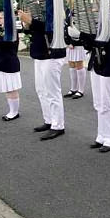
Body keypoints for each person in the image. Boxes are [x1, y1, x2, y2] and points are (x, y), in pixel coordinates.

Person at [74, 0, 110, 153]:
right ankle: (102, 136)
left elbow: (103, 41)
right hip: (97, 64)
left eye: (96, 2)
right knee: (98, 103)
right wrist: (79, 37)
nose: (93, 5)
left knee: (107, 104)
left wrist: (82, 33)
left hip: (109, 65)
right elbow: (90, 44)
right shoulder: (99, 18)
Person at [18, 10, 67, 141]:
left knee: (52, 92)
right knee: (41, 90)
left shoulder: (55, 4)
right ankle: (49, 120)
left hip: (51, 54)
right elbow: (33, 31)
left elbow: (52, 28)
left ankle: (58, 125)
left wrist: (31, 21)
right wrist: (27, 24)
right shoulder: (38, 8)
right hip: (39, 53)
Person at [0, 12, 21, 121]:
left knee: (11, 89)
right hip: (2, 62)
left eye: (1, 17)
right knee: (7, 89)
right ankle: (12, 110)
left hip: (10, 63)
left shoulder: (11, 30)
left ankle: (14, 112)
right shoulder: (4, 29)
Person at [63, 8, 87, 100]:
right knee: (71, 64)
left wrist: (73, 42)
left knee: (78, 65)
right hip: (70, 44)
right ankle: (73, 88)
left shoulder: (80, 9)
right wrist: (68, 42)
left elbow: (81, 27)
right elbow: (66, 27)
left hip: (78, 43)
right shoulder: (68, 10)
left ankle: (81, 90)